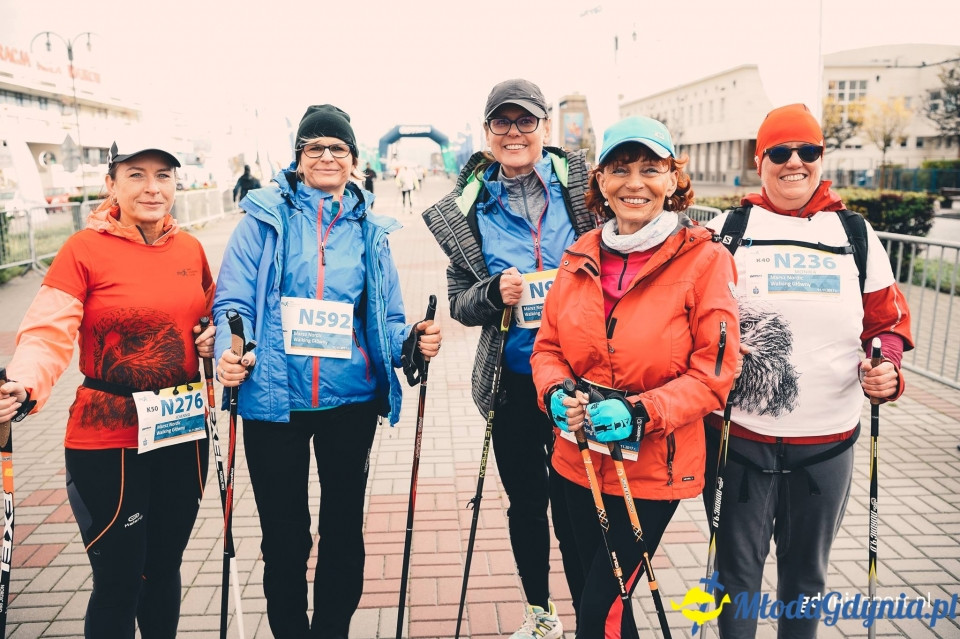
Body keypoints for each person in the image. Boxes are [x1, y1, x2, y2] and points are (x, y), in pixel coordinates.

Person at [213, 103, 441, 639]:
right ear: (297, 158)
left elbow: (384, 314)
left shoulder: (370, 231)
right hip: (274, 402)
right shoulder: (261, 221)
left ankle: (332, 630)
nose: (326, 156)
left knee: (344, 531)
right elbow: (233, 300)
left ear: (355, 160)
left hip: (349, 404)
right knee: (284, 537)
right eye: (314, 146)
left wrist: (410, 345)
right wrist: (230, 349)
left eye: (338, 148)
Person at [702, 103, 914, 638]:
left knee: (805, 581)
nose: (794, 162)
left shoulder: (854, 234)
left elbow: (886, 323)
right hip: (740, 442)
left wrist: (886, 367)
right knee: (734, 580)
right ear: (760, 159)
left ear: (821, 156)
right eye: (780, 151)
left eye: (808, 151)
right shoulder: (729, 229)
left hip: (827, 445)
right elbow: (687, 314)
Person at [531, 115, 739, 639]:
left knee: (601, 607)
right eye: (620, 169)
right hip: (575, 458)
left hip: (650, 468)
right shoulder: (578, 255)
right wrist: (555, 393)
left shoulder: (706, 260)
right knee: (591, 599)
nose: (635, 183)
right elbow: (548, 347)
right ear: (600, 181)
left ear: (672, 180)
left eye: (651, 168)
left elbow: (714, 374)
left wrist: (640, 412)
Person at [0, 139, 215, 638]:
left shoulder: (190, 248)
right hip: (108, 436)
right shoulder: (83, 249)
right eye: (136, 174)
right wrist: (23, 385)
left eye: (163, 175)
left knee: (162, 572)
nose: (152, 187)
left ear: (177, 185)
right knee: (119, 580)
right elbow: (47, 330)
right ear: (111, 184)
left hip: (181, 430)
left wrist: (213, 339)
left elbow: (214, 316)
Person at [423, 78, 595, 638]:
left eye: (526, 121)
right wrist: (494, 294)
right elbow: (459, 303)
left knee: (581, 506)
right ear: (488, 132)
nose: (514, 132)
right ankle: (541, 615)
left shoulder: (582, 191)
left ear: (544, 127)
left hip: (583, 380)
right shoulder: (469, 209)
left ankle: (594, 616)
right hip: (514, 381)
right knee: (527, 503)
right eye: (503, 122)